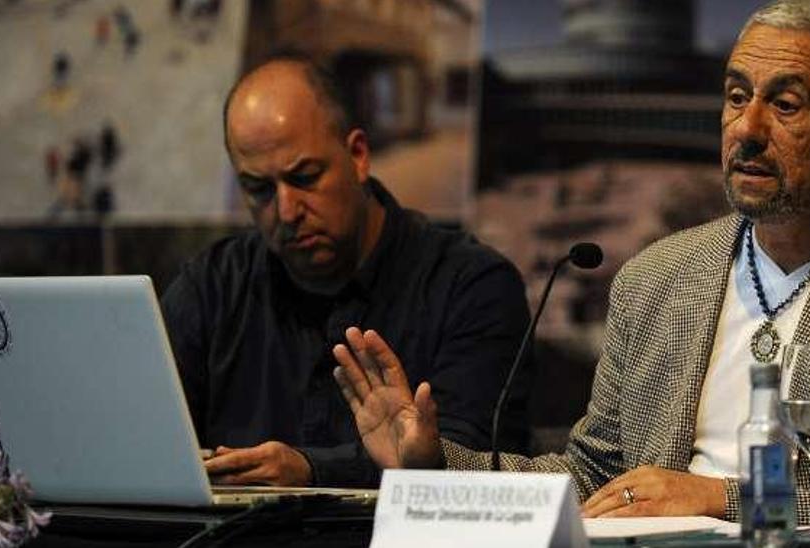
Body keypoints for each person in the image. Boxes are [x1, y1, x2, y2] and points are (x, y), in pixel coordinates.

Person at [333, 0, 810, 532]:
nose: (746, 129)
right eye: (734, 95)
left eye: (785, 104)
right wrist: (437, 467)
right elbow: (596, 477)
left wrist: (725, 501)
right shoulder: (659, 278)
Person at [160, 54, 531, 488]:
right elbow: (143, 434)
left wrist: (311, 471)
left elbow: (474, 460)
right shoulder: (212, 287)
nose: (286, 210)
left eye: (305, 177)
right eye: (258, 189)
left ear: (357, 155)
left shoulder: (471, 286)